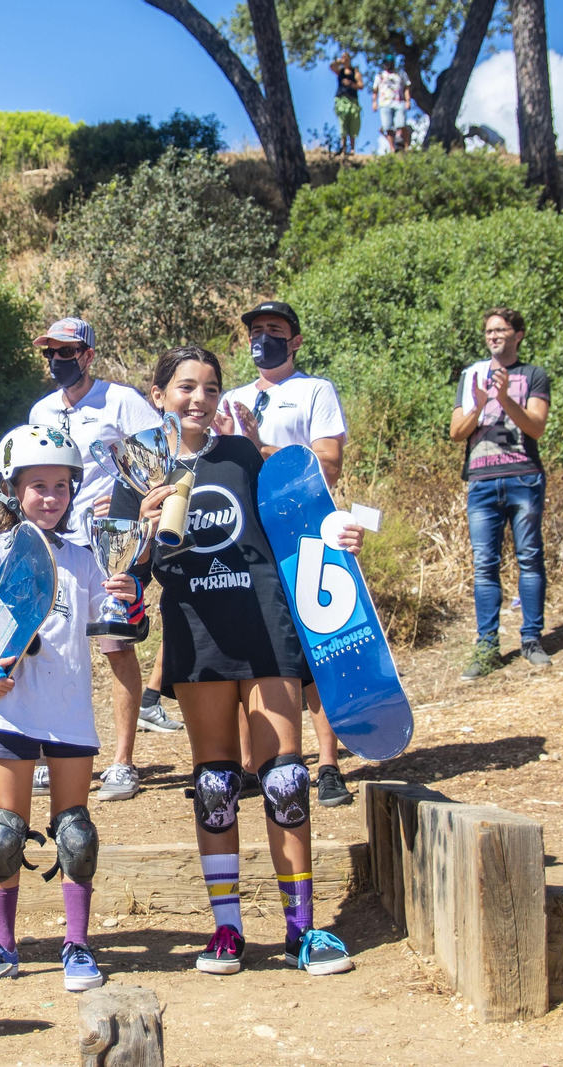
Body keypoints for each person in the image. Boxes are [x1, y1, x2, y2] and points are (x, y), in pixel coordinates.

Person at [111, 346, 360, 978]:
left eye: (211, 388)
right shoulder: (139, 469)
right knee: (216, 785)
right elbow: (124, 574)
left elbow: (301, 519)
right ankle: (227, 930)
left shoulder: (244, 455)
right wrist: (140, 532)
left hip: (267, 626)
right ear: (159, 392)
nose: (200, 398)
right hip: (198, 633)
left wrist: (340, 535)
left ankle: (303, 930)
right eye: (186, 387)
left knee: (286, 780)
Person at [0, 425, 135, 993]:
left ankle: (77, 944)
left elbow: (115, 630)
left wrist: (130, 598)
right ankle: (3, 945)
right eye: (37, 486)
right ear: (11, 489)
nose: (50, 497)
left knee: (76, 834)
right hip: (11, 712)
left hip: (70, 711)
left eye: (60, 486)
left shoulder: (85, 558)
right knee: (4, 833)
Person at [28, 317, 181, 806]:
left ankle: (122, 762)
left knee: (116, 648)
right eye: (50, 352)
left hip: (111, 545)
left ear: (89, 356)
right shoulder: (42, 408)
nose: (58, 361)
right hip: (55, 542)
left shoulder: (122, 402)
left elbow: (161, 464)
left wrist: (124, 500)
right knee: (50, 646)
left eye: (68, 352)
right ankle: (52, 753)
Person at [222, 301, 352, 808]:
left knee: (317, 649)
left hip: (303, 533)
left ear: (295, 341)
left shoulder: (315, 390)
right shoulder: (230, 398)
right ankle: (253, 764)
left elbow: (329, 465)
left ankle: (328, 765)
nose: (263, 338)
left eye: (274, 330)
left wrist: (261, 449)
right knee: (247, 648)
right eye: (256, 330)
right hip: (245, 537)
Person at [450, 308, 553, 681]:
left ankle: (531, 640)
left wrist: (505, 397)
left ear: (518, 334)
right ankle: (487, 646)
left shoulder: (533, 375)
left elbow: (536, 427)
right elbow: (457, 432)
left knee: (529, 557)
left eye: (501, 329)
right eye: (489, 330)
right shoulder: (470, 375)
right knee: (484, 565)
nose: (494, 336)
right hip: (480, 479)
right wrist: (479, 403)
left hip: (523, 476)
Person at [329, 52, 364, 157]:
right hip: (341, 100)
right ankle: (343, 148)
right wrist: (340, 61)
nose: (344, 59)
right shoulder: (340, 71)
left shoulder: (355, 72)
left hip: (353, 100)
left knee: (353, 123)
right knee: (343, 123)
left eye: (346, 57)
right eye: (343, 57)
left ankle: (352, 149)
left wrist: (351, 84)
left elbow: (361, 85)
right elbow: (331, 66)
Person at [374, 56, 411, 153]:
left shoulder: (401, 74)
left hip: (399, 102)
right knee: (387, 127)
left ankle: (407, 147)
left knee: (402, 124)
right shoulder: (379, 76)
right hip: (384, 103)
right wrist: (374, 102)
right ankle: (392, 148)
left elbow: (406, 87)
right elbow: (375, 90)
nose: (387, 65)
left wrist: (408, 100)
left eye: (388, 62)